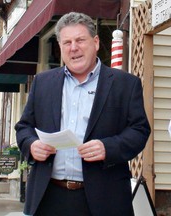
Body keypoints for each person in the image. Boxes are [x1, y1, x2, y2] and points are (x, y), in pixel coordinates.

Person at [15, 12, 150, 216]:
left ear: (95, 42)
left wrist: (108, 147)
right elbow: (24, 127)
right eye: (67, 42)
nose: (74, 48)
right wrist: (32, 145)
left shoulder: (125, 84)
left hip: (105, 197)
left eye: (80, 40)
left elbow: (139, 130)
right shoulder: (43, 82)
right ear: (60, 47)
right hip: (47, 196)